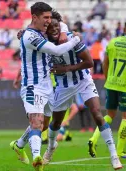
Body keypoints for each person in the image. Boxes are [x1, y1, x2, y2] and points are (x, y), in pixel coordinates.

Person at [38, 11, 122, 170]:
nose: (54, 29)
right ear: (46, 30)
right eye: (51, 27)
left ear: (61, 26)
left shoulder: (71, 38)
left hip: (83, 80)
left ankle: (114, 155)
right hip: (63, 85)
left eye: (57, 26)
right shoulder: (44, 43)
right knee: (56, 122)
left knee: (97, 114)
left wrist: (67, 68)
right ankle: (50, 148)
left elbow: (89, 62)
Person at [9, 2, 81, 170]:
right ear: (35, 17)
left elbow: (59, 22)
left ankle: (18, 145)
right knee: (36, 122)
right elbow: (56, 51)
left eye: (50, 17)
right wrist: (76, 39)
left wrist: (64, 30)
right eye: (45, 17)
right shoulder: (30, 36)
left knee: (45, 124)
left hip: (48, 86)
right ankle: (37, 158)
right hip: (32, 86)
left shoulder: (42, 31)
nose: (49, 21)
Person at [88, 19, 126, 159]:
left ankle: (94, 138)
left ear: (124, 29)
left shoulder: (112, 42)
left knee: (109, 115)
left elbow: (105, 63)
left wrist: (107, 78)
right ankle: (120, 151)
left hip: (111, 84)